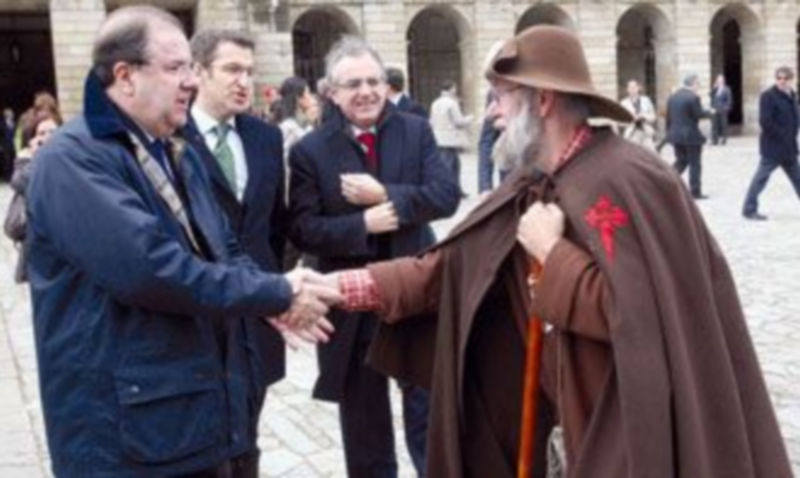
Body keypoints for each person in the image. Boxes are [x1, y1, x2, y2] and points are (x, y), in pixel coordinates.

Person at [321, 25, 792, 478]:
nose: (492, 114)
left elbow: (641, 315)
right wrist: (337, 288)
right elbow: (448, 269)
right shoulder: (531, 183)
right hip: (549, 422)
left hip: (620, 428)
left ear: (542, 101)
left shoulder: (628, 179)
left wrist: (552, 253)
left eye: (501, 98)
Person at [25, 6, 339, 477]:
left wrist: (272, 291)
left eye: (191, 67)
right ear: (125, 76)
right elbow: (151, 269)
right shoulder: (75, 158)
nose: (190, 81)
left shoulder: (174, 150)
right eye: (175, 68)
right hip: (123, 437)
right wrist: (278, 292)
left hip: (186, 419)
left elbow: (225, 249)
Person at [288, 35, 460, 477]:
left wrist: (389, 197)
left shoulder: (415, 130)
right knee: (364, 425)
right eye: (352, 84)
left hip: (416, 297)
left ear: (386, 85)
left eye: (373, 81)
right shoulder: (310, 151)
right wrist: (360, 226)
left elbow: (444, 196)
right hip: (351, 307)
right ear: (331, 92)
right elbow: (303, 230)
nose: (365, 91)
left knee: (428, 413)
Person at [183, 28, 294, 474]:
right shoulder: (173, 137)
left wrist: (272, 289)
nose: (243, 81)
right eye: (231, 69)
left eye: (249, 71)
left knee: (249, 434)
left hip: (257, 318)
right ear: (198, 72)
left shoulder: (264, 138)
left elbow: (276, 226)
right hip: (199, 316)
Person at [5, 110, 61, 282]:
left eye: (53, 131)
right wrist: (36, 157)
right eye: (42, 133)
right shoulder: (27, 163)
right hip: (40, 248)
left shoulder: (69, 157)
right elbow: (21, 182)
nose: (48, 137)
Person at [741, 66, 800, 220]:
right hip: (773, 148)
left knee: (798, 179)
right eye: (779, 78)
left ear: (791, 80)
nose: (782, 81)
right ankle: (749, 209)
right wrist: (783, 135)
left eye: (785, 78)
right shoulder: (768, 96)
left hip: (789, 148)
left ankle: (749, 208)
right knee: (760, 179)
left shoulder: (792, 95)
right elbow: (765, 122)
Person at [666, 73, 712, 199]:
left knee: (681, 161)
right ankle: (695, 191)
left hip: (676, 135)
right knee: (695, 164)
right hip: (690, 136)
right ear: (693, 83)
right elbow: (698, 114)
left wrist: (669, 133)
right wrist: (710, 113)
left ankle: (665, 181)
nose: (698, 87)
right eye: (698, 84)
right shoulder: (693, 97)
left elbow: (669, 118)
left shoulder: (673, 97)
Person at [430, 80, 473, 196]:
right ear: (452, 89)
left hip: (439, 138)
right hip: (450, 139)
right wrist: (470, 119)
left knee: (451, 165)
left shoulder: (435, 103)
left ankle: (455, 190)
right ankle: (450, 190)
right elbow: (458, 121)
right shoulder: (451, 103)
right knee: (451, 167)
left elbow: (432, 121)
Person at [271, 76, 318, 159]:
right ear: (298, 98)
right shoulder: (289, 126)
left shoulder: (301, 122)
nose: (311, 97)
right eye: (308, 93)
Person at [620, 79, 656, 150]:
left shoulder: (646, 100)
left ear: (638, 88)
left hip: (646, 132)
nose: (633, 89)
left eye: (634, 87)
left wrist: (644, 116)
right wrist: (631, 119)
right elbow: (620, 122)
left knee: (651, 154)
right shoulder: (624, 103)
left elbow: (653, 116)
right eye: (630, 87)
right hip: (631, 133)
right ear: (627, 89)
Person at [710, 74, 732, 145]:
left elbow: (729, 100)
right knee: (714, 125)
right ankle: (714, 140)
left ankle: (724, 139)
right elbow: (710, 95)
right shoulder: (715, 89)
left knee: (723, 125)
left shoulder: (727, 89)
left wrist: (726, 107)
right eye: (718, 80)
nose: (719, 81)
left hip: (723, 110)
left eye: (721, 80)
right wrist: (714, 88)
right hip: (714, 110)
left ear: (723, 81)